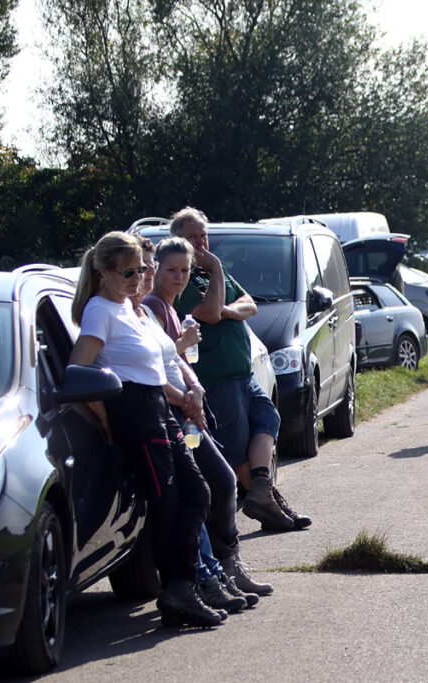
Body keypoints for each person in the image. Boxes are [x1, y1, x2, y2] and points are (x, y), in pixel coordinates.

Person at [68, 231, 221, 627]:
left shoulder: (127, 308)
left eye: (140, 270)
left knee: (197, 491)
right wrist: (105, 420)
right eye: (127, 273)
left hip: (160, 409)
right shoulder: (101, 309)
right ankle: (178, 590)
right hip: (135, 412)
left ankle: (183, 586)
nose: (137, 280)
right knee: (166, 503)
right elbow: (79, 371)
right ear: (103, 273)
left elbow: (152, 369)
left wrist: (184, 394)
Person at [142, 236, 272, 602]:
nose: (179, 277)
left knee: (216, 484)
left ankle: (221, 568)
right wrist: (186, 390)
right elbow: (153, 368)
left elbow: (176, 361)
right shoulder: (152, 306)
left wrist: (194, 387)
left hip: (189, 415)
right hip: (172, 418)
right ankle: (211, 573)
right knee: (210, 486)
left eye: (184, 270)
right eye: (170, 270)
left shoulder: (164, 307)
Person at [168, 207, 311, 536]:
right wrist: (218, 279)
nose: (201, 242)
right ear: (177, 239)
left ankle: (264, 495)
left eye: (203, 234)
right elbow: (208, 312)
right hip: (216, 378)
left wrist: (227, 307)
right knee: (235, 446)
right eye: (193, 236)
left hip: (241, 372)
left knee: (268, 419)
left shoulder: (213, 271)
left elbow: (249, 304)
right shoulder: (184, 277)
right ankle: (269, 504)